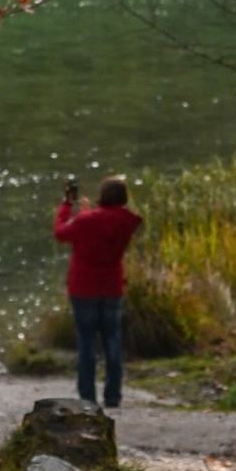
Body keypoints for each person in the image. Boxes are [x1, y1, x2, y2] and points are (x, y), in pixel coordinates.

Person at [53, 173, 141, 412]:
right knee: (113, 339)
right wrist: (86, 215)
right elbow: (105, 225)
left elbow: (61, 233)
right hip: (112, 286)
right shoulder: (127, 221)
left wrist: (68, 206)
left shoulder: (86, 221)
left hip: (83, 287)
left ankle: (88, 397)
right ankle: (113, 395)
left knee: (87, 342)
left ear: (103, 195)